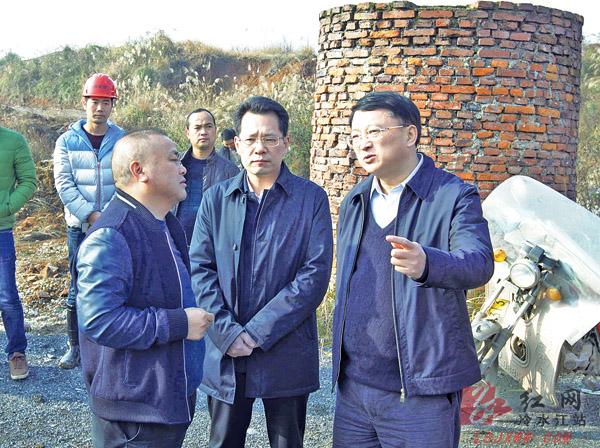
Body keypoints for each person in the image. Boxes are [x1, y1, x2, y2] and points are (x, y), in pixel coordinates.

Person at [332, 91, 494, 448]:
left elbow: (480, 262)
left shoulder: (452, 195)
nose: (363, 143)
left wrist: (428, 264)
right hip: (354, 390)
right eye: (356, 135)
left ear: (410, 134)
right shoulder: (355, 201)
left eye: (374, 131)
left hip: (420, 392)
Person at [190, 96, 333, 448]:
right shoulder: (216, 199)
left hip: (285, 348)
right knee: (224, 441)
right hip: (226, 350)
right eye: (251, 139)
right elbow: (201, 269)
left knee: (287, 442)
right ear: (237, 144)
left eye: (270, 138)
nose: (260, 148)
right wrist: (227, 333)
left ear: (286, 142)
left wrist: (256, 333)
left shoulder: (310, 199)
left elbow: (314, 276)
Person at [76, 130, 214, 447]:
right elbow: (100, 321)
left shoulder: (166, 224)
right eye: (173, 159)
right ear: (139, 171)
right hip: (135, 416)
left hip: (162, 402)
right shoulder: (112, 235)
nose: (184, 168)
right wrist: (179, 323)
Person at [53, 73, 125, 369]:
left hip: (114, 226)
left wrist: (107, 216)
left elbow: (126, 178)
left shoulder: (121, 139)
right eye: (95, 101)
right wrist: (90, 215)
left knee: (114, 283)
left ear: (112, 105)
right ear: (85, 102)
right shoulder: (67, 141)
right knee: (77, 286)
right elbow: (64, 183)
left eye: (106, 102)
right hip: (79, 227)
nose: (100, 108)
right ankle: (75, 347)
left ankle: (109, 345)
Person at [0, 127, 37, 380]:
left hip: (1, 230)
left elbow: (28, 181)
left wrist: (6, 207)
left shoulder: (14, 140)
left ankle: (17, 352)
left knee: (7, 295)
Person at [176, 109, 238, 243]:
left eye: (208, 126)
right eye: (197, 127)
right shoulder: (174, 165)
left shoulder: (230, 171)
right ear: (187, 132)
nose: (203, 132)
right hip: (174, 243)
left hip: (210, 246)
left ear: (215, 131)